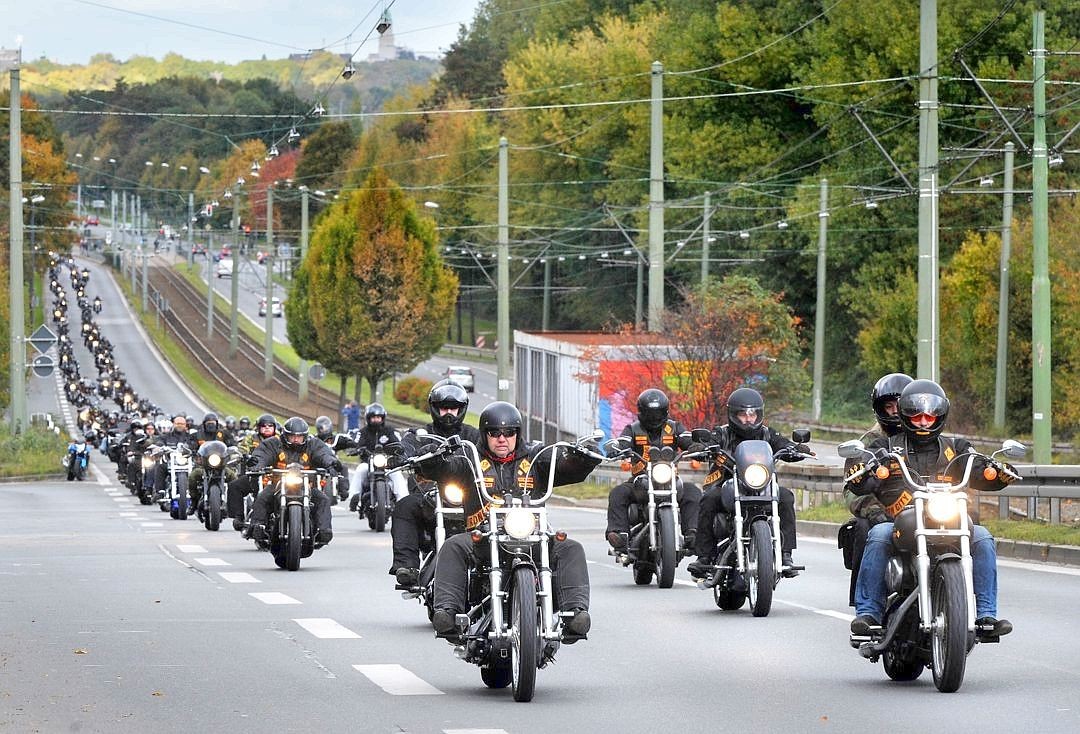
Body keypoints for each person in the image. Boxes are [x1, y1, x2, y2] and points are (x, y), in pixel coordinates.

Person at [846, 379, 1014, 639]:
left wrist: (997, 474)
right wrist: (861, 475)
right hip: (901, 521)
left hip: (948, 519)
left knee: (982, 537)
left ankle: (986, 615)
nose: (923, 421)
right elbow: (865, 477)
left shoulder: (956, 447)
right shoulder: (885, 448)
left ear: (940, 415)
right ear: (905, 415)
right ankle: (868, 614)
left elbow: (977, 468)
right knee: (878, 534)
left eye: (929, 415)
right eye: (916, 416)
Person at [421, 402, 599, 643]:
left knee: (571, 547)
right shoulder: (470, 459)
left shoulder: (535, 459)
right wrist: (429, 458)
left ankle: (575, 615)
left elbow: (565, 467)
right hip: (483, 538)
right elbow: (445, 468)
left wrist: (582, 458)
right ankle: (447, 613)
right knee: (452, 545)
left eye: (509, 433)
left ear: (518, 433)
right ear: (485, 435)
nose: (502, 439)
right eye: (494, 433)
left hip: (531, 536)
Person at [688, 387, 805, 579]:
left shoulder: (768, 434)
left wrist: (796, 449)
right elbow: (706, 443)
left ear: (760, 414)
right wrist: (702, 447)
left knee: (785, 496)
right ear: (733, 414)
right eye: (743, 414)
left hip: (761, 487)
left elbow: (783, 444)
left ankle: (785, 555)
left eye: (753, 414)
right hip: (728, 486)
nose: (749, 419)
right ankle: (705, 556)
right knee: (709, 499)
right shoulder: (722, 434)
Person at [389, 380, 484, 587]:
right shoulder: (421, 434)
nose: (449, 413)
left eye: (453, 408)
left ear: (462, 409)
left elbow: (491, 451)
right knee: (405, 506)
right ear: (434, 409)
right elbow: (406, 446)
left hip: (468, 499)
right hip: (429, 498)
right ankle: (407, 566)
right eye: (443, 408)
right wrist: (400, 454)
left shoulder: (474, 436)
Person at [838, 373, 912, 606]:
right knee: (862, 529)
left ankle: (960, 593)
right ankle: (866, 602)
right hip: (884, 510)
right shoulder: (869, 442)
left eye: (900, 406)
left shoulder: (926, 435)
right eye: (889, 407)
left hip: (924, 508)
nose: (895, 412)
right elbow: (851, 487)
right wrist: (872, 510)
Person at [604, 388, 702, 552]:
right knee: (618, 493)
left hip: (669, 480)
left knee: (693, 492)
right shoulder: (633, 429)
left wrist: (696, 446)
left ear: (665, 412)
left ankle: (693, 533)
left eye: (658, 414)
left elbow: (687, 439)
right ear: (641, 412)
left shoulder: (675, 428)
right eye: (650, 414)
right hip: (640, 481)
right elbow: (623, 442)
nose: (654, 418)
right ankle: (619, 533)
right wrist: (617, 449)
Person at [246, 417, 337, 548]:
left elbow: (323, 454)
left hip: (306, 487)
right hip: (278, 485)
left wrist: (331, 463)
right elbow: (263, 453)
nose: (295, 439)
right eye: (292, 436)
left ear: (304, 437)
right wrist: (256, 463)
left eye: (299, 437)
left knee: (323, 499)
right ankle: (257, 527)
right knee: (262, 497)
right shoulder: (274, 443)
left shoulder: (313, 444)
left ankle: (323, 531)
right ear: (285, 435)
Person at [346, 403, 407, 512]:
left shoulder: (389, 431)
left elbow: (398, 443)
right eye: (373, 418)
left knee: (397, 473)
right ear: (368, 419)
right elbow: (357, 443)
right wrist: (357, 449)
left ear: (383, 418)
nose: (376, 420)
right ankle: (354, 498)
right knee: (360, 469)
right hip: (368, 462)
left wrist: (399, 450)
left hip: (387, 463)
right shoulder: (363, 432)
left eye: (378, 417)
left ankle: (403, 501)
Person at [228, 413, 277, 530]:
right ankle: (239, 517)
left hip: (277, 477)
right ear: (259, 428)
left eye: (270, 426)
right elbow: (241, 449)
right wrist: (239, 456)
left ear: (274, 428)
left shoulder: (281, 439)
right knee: (234, 486)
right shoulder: (251, 438)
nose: (267, 428)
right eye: (264, 426)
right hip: (256, 475)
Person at [152, 414, 197, 500]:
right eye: (177, 423)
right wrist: (160, 447)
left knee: (199, 470)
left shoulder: (190, 437)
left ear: (185, 425)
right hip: (171, 463)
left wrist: (195, 449)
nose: (179, 425)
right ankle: (160, 491)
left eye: (182, 423)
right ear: (173, 424)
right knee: (160, 467)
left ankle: (198, 492)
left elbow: (195, 444)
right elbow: (159, 441)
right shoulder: (167, 436)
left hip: (188, 463)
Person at [314, 415, 355, 501]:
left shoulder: (337, 438)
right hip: (319, 463)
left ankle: (343, 490)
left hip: (334, 462)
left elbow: (349, 440)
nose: (324, 430)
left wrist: (352, 443)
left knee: (343, 468)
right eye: (322, 428)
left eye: (326, 427)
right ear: (318, 429)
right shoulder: (314, 439)